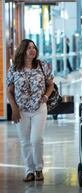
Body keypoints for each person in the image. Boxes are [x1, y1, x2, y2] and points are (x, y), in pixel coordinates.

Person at [7, 39, 54, 182]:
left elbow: (50, 84)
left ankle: (39, 169)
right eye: (28, 48)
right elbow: (9, 91)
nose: (32, 50)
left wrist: (46, 96)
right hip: (21, 110)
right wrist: (14, 108)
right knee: (25, 141)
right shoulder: (14, 68)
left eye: (33, 47)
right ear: (22, 51)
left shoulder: (42, 65)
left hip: (39, 108)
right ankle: (29, 171)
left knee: (36, 139)